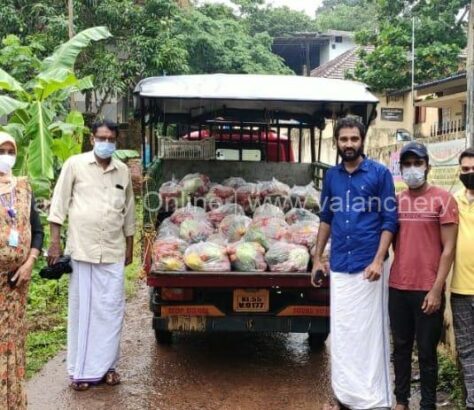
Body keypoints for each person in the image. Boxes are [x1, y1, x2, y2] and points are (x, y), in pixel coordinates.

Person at [312, 117, 397, 410]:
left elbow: (389, 221)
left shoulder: (380, 173)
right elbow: (326, 218)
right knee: (345, 331)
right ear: (336, 141)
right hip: (339, 266)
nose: (349, 144)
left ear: (363, 140)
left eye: (354, 139)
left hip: (368, 269)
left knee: (370, 333)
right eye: (343, 139)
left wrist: (377, 260)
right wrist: (317, 257)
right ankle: (347, 394)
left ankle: (374, 398)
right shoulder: (332, 177)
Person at [47, 120, 135, 391]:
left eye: (111, 139)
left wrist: (130, 247)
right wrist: (54, 244)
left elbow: (129, 211)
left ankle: (108, 366)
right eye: (101, 137)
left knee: (111, 311)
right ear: (92, 139)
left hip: (112, 251)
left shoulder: (123, 171)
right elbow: (58, 204)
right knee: (83, 311)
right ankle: (81, 372)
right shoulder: (75, 164)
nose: (106, 143)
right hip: (82, 251)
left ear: (116, 142)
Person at [389, 142, 458, 410]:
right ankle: (401, 400)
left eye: (417, 163)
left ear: (427, 165)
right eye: (406, 164)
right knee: (401, 349)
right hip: (398, 287)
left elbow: (448, 248)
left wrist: (436, 289)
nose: (412, 169)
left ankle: (428, 404)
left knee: (427, 353)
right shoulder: (396, 201)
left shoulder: (443, 199)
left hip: (428, 289)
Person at [0, 131, 44, 409]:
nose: (6, 156)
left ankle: (12, 402)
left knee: (13, 340)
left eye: (10, 151)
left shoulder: (24, 188)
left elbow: (37, 230)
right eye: (1, 150)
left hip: (17, 282)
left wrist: (29, 263)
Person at [451, 148, 474, 410]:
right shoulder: (453, 201)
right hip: (460, 291)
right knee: (467, 353)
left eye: (473, 169)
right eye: (465, 170)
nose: (470, 174)